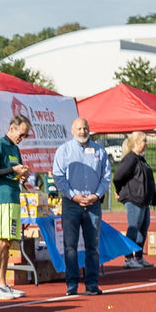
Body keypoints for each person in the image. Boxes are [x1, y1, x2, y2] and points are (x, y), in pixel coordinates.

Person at [50, 116, 109, 295]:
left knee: (93, 247)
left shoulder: (100, 151)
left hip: (93, 205)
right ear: (72, 130)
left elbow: (106, 177)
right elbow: (58, 176)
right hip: (71, 204)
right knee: (70, 246)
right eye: (79, 128)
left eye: (85, 128)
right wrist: (73, 196)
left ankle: (91, 284)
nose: (83, 131)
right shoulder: (64, 150)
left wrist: (96, 195)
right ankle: (72, 285)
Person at [0, 114, 32, 299]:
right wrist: (12, 170)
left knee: (9, 241)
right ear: (12, 128)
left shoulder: (15, 148)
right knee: (1, 241)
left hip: (14, 198)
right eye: (21, 134)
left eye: (26, 135)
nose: (23, 138)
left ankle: (2, 284)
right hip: (3, 199)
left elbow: (14, 172)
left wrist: (22, 175)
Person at [110, 130, 154, 269]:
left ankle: (139, 257)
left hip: (144, 201)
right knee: (133, 228)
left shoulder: (141, 159)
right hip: (134, 199)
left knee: (143, 229)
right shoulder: (131, 159)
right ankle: (128, 258)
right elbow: (118, 176)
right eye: (144, 141)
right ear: (136, 142)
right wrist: (119, 191)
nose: (146, 143)